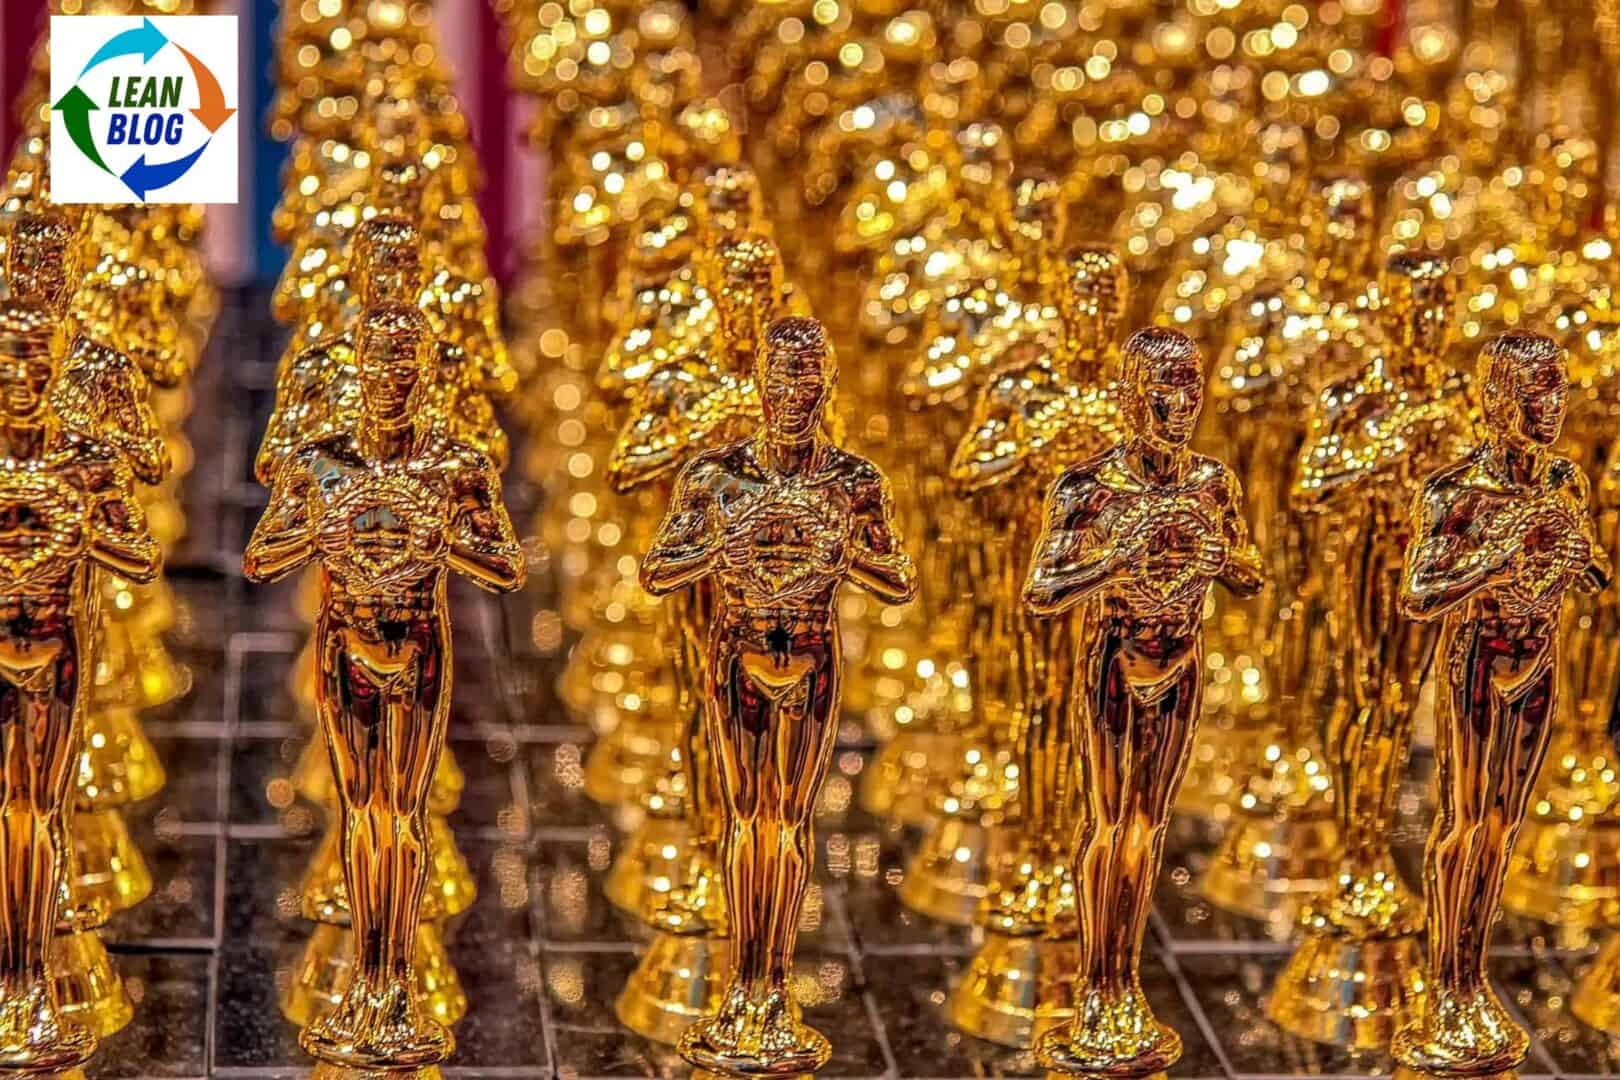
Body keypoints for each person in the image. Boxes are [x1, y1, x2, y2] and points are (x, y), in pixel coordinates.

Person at [244, 301, 524, 1068]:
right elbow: (261, 559)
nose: (392, 379)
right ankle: (370, 980)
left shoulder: (456, 464)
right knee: (359, 814)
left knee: (400, 816)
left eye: (407, 366)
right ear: (358, 373)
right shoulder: (320, 460)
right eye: (379, 365)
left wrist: (444, 536)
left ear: (427, 374)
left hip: (420, 646)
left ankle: (391, 980)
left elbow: (506, 567)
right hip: (346, 648)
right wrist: (320, 530)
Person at [641, 316, 915, 1074]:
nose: (792, 393)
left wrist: (843, 550)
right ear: (758, 385)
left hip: (813, 655)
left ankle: (771, 984)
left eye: (807, 379)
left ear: (826, 387)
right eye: (780, 377)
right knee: (743, 817)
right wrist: (719, 545)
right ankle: (742, 981)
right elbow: (658, 570)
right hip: (738, 655)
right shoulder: (717, 476)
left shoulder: (853, 482)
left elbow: (899, 581)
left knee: (788, 821)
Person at [1023, 326, 1262, 1076]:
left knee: (1149, 827)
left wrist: (1220, 557)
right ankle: (1097, 983)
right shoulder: (1088, 487)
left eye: (1190, 386)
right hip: (1113, 660)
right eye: (1163, 388)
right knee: (1109, 822)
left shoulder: (1212, 484)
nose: (1179, 403)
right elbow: (1042, 589)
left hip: (1183, 659)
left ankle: (1127, 980)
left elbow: (1249, 568)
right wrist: (1117, 557)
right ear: (1129, 397)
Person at [1395, 331, 1610, 1073]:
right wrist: (1499, 553)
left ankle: (1472, 972)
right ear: (1495, 400)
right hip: (1478, 664)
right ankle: (1444, 984)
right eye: (1535, 393)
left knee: (1504, 826)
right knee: (1463, 823)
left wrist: (1581, 555)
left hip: (1538, 663)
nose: (1550, 408)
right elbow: (1421, 593)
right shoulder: (1456, 491)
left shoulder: (1566, 481)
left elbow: (1592, 574)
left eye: (1558, 391)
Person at [0, 302, 160, 1068]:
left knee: (36, 812)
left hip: (57, 641)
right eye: (8, 363)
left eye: (35, 363)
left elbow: (139, 552)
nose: (21, 378)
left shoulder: (85, 462)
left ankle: (26, 975)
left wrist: (88, 516)